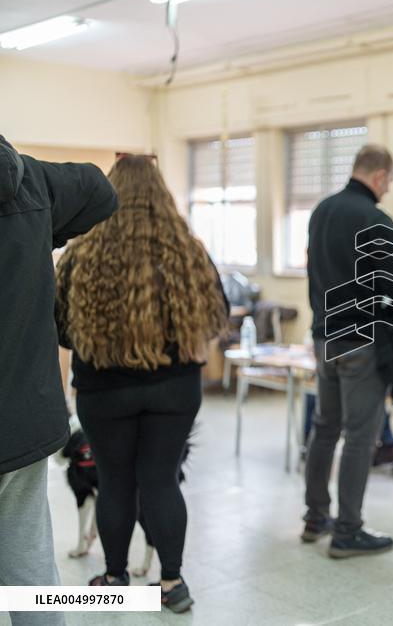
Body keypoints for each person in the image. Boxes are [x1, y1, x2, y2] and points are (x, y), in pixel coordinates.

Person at [55, 154, 228, 613]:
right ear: (161, 195)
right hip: (174, 390)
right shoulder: (187, 251)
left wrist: (104, 342)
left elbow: (60, 327)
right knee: (161, 481)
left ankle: (114, 577)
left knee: (114, 483)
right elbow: (217, 315)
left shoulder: (82, 250)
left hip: (103, 389)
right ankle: (172, 584)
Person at [0, 137, 117, 626]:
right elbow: (98, 189)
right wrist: (43, 224)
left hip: (24, 425)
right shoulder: (27, 181)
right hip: (22, 425)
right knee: (29, 575)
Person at [303, 144, 393, 556]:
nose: (387, 188)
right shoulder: (374, 218)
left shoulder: (320, 211)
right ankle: (348, 530)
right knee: (360, 436)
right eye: (390, 181)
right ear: (379, 176)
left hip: (324, 336)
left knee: (325, 428)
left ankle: (315, 518)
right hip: (361, 341)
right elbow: (391, 286)